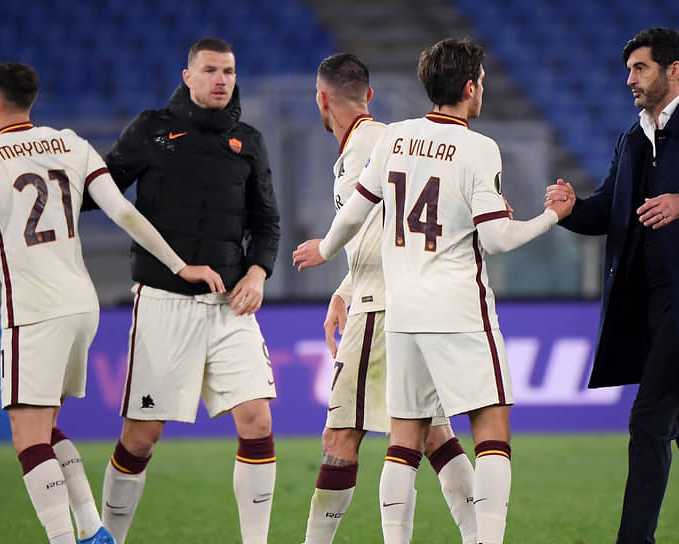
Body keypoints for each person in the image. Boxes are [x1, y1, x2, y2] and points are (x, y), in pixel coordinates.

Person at [294, 38, 575, 544]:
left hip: (401, 310)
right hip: (457, 308)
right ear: (470, 88)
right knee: (490, 430)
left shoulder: (394, 137)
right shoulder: (478, 147)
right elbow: (495, 238)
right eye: (481, 82)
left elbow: (355, 214)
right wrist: (552, 216)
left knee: (406, 442)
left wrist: (327, 250)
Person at [0, 62, 224, 544]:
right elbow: (124, 212)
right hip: (81, 306)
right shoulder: (71, 144)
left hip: (34, 312)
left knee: (27, 437)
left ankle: (65, 539)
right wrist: (180, 265)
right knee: (47, 428)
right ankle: (93, 531)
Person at [546, 28, 679, 543]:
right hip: (653, 307)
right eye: (629, 70)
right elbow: (611, 210)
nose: (630, 79)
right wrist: (572, 211)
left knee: (649, 422)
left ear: (673, 71)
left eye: (640, 68)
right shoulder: (633, 136)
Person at [90, 38, 281, 544]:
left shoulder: (248, 141)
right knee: (141, 438)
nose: (222, 80)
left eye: (229, 71)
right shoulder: (151, 130)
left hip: (230, 306)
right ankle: (111, 537)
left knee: (258, 421)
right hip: (164, 303)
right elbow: (101, 192)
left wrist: (258, 273)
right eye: (211, 70)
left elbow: (267, 223)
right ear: (188, 76)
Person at [301, 53, 478, 544]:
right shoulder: (381, 142)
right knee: (433, 433)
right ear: (369, 95)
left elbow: (389, 229)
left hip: (381, 308)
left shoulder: (370, 145)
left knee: (340, 436)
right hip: (408, 304)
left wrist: (348, 279)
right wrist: (344, 288)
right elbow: (387, 230)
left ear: (321, 98)